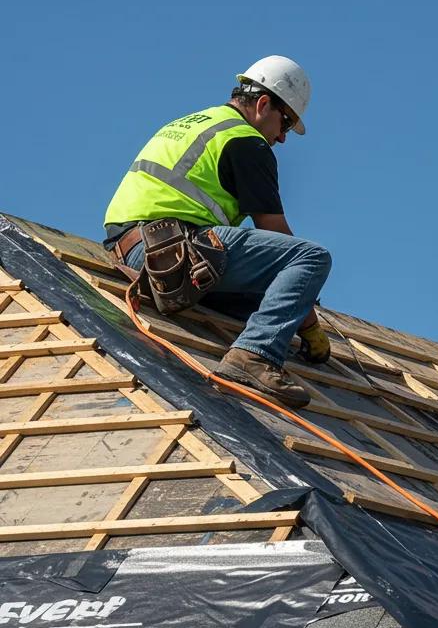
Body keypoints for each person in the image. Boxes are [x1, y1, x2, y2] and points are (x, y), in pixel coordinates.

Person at [103, 56, 332, 409]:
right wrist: (311, 325)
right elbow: (277, 233)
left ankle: (259, 340)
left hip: (135, 254)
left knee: (266, 301)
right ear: (263, 104)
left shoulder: (194, 122)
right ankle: (254, 356)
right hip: (175, 250)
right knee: (311, 257)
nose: (282, 137)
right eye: (284, 122)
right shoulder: (245, 140)